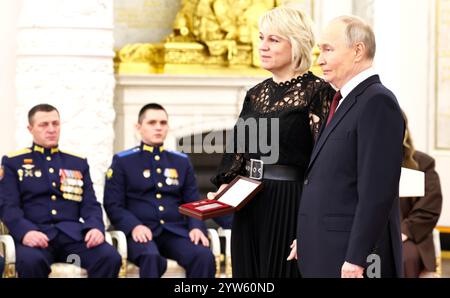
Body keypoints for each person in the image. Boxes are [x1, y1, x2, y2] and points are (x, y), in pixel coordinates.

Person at [209, 6, 334, 278]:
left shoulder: (319, 92)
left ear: (297, 44)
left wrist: (312, 224)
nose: (262, 46)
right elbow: (237, 150)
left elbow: (324, 164)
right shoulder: (255, 93)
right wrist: (222, 187)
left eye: (273, 40)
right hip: (249, 199)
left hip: (291, 202)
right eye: (261, 37)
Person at [288, 15, 405, 278]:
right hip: (325, 251)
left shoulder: (377, 102)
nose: (320, 59)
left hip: (350, 261)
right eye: (319, 51)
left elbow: (377, 191)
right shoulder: (342, 101)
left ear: (357, 51)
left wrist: (356, 257)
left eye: (328, 49)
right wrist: (306, 238)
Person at [0, 104, 121, 278]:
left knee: (109, 257)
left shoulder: (77, 162)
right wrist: (26, 232)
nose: (51, 129)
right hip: (35, 235)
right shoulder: (14, 162)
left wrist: (95, 227)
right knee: (30, 261)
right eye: (44, 125)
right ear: (30, 129)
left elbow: (90, 204)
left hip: (72, 236)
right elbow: (8, 206)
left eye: (55, 124)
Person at [103, 103, 215, 278]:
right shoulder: (123, 161)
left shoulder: (181, 161)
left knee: (203, 255)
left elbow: (192, 201)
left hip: (174, 231)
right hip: (140, 233)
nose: (158, 127)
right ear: (138, 127)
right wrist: (134, 226)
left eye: (163, 123)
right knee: (151, 257)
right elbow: (113, 205)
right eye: (152, 122)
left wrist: (196, 227)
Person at [400, 111, 442, 277]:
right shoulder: (366, 163)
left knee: (403, 258)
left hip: (409, 236)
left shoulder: (423, 163)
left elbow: (430, 206)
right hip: (371, 234)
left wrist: (404, 231)